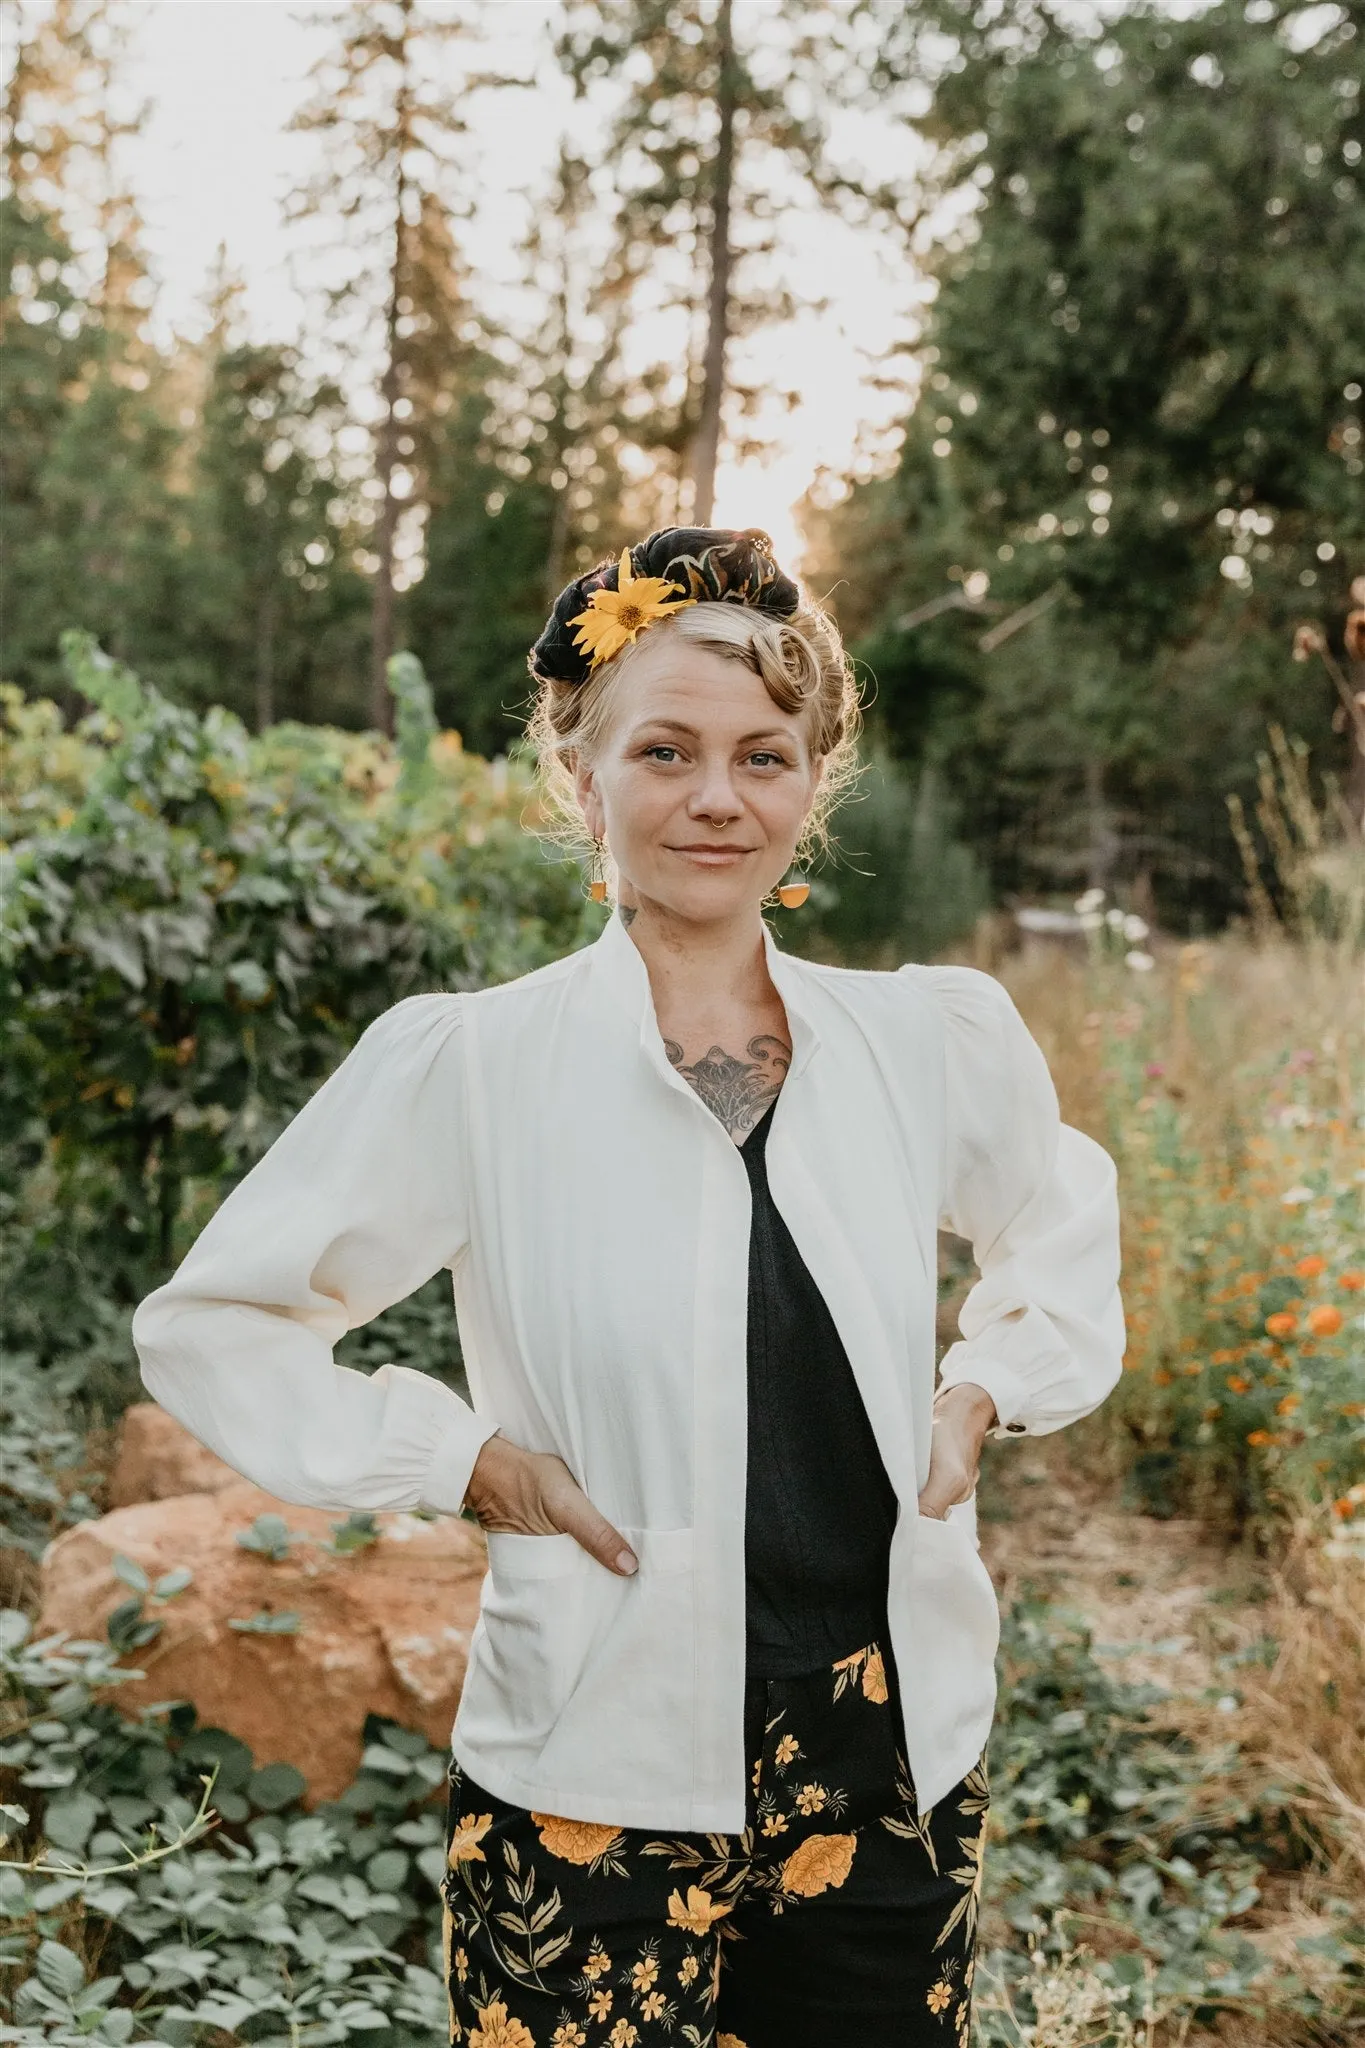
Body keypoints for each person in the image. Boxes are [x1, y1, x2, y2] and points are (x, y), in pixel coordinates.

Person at [132, 526, 1125, 2048]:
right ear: (581, 775)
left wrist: (983, 1385)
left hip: (891, 1753)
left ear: (812, 783)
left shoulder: (930, 1043)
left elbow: (1061, 1210)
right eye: (665, 751)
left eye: (764, 756)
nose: (718, 797)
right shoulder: (474, 1068)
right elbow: (214, 1324)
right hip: (591, 1762)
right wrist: (461, 1459)